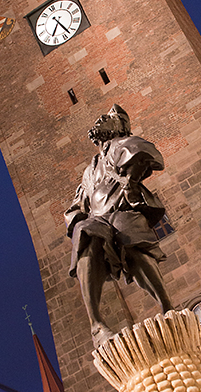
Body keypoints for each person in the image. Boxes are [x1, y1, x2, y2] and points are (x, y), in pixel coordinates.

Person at [65, 105, 174, 346]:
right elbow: (76, 205)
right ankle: (96, 325)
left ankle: (167, 305)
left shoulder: (121, 144)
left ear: (120, 126)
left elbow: (145, 153)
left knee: (129, 237)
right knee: (84, 234)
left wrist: (131, 182)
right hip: (97, 219)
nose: (100, 120)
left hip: (121, 211)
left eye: (108, 119)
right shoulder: (89, 171)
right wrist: (77, 219)